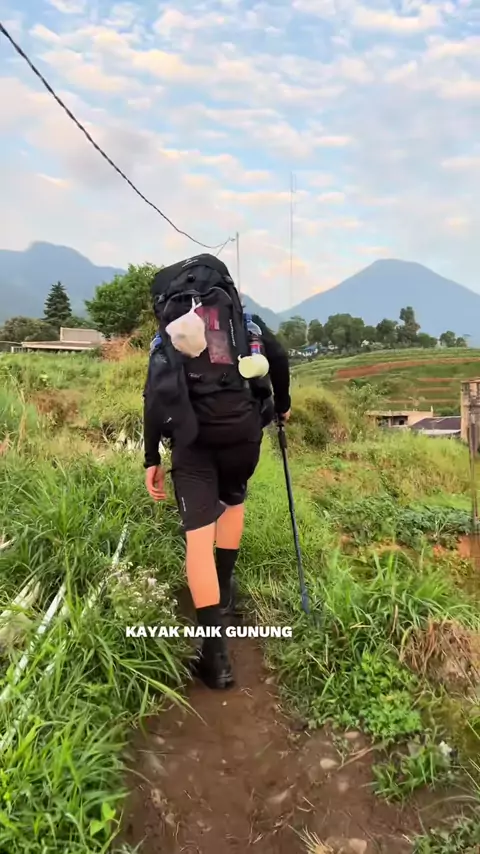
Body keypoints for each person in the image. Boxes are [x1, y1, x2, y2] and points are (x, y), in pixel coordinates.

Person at [143, 254, 291, 690]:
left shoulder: (168, 333)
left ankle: (217, 659)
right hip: (242, 433)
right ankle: (224, 594)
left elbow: (155, 396)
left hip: (192, 440)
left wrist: (152, 457)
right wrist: (281, 405)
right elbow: (279, 358)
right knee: (233, 499)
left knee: (198, 540)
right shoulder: (246, 324)